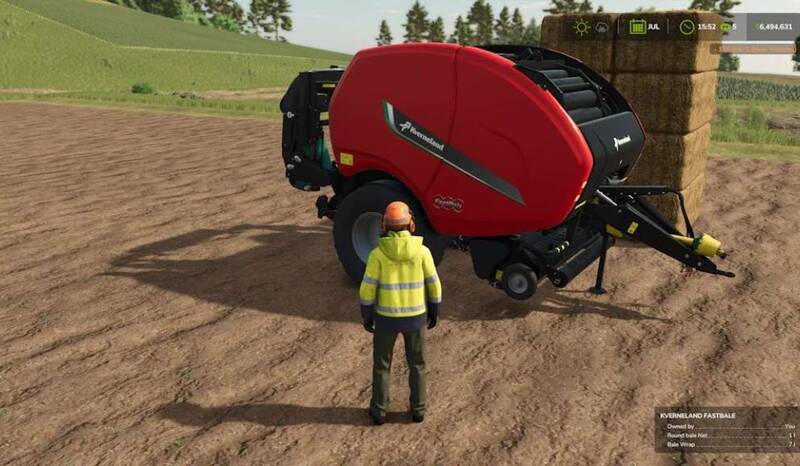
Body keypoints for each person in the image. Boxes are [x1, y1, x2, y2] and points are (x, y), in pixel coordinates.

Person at [359, 201, 442, 425]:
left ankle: (379, 411)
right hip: (415, 319)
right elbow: (434, 285)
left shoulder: (377, 255)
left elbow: (367, 289)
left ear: (384, 226)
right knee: (417, 365)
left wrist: (367, 315)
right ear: (411, 225)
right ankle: (418, 410)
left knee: (382, 366)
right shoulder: (422, 252)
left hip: (386, 320)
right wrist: (434, 310)